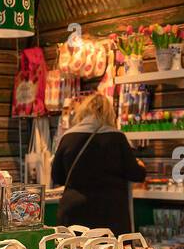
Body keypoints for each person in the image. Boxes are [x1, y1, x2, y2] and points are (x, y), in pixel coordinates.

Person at [51, 93, 145, 236]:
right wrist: (141, 166)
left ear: (83, 111)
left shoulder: (68, 137)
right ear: (109, 113)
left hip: (74, 212)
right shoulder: (117, 137)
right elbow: (136, 174)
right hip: (110, 214)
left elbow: (57, 176)